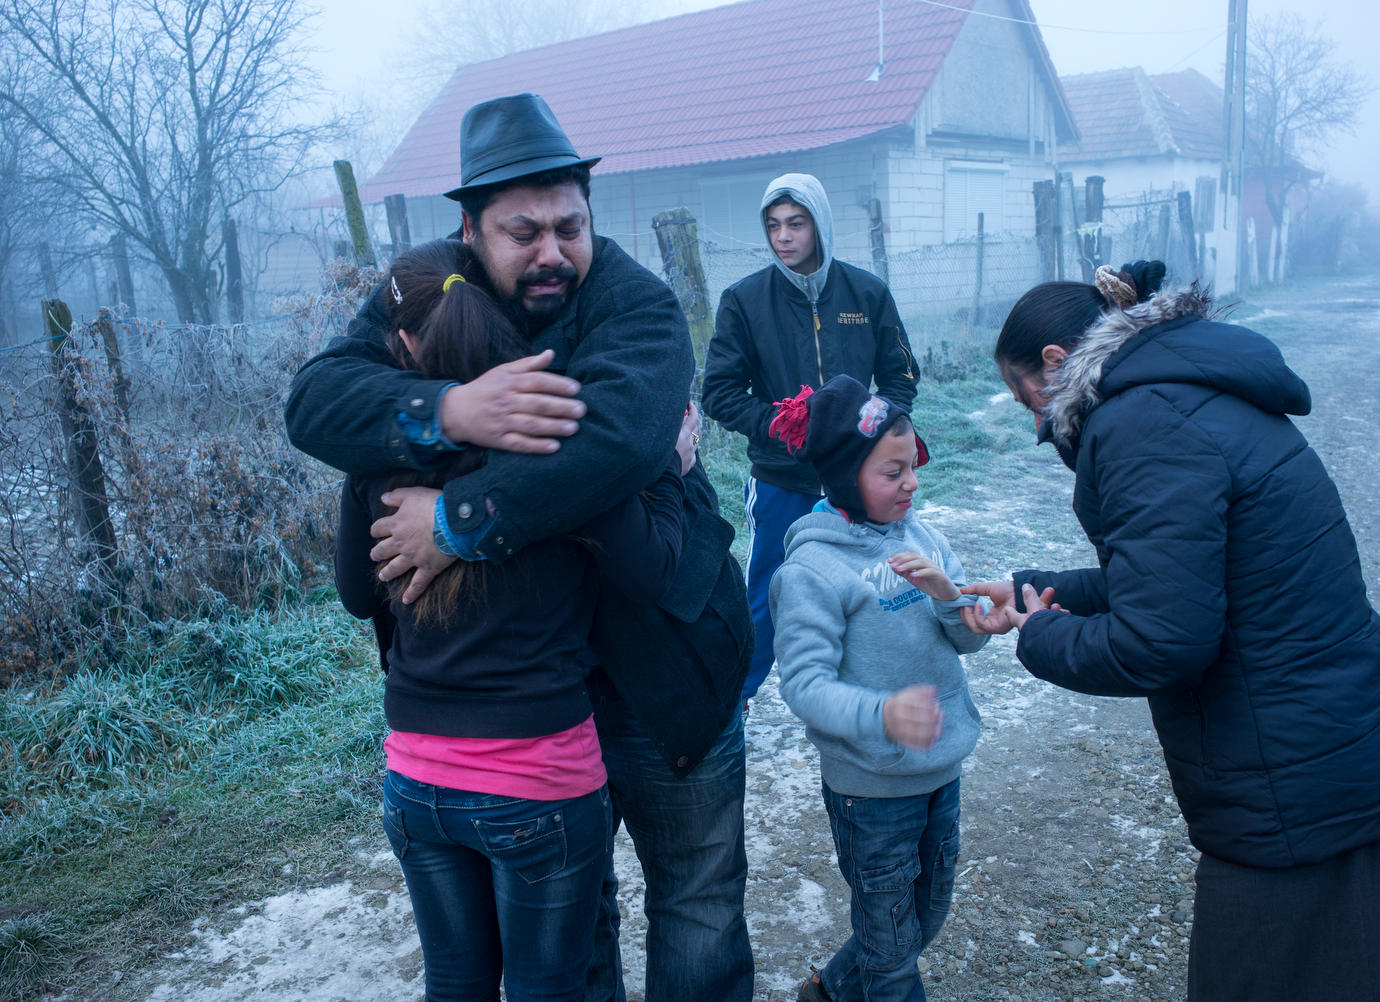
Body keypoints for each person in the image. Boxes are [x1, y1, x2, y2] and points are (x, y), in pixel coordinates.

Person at [285, 93, 753, 1002]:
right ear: (470, 232)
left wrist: (454, 521)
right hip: (535, 697)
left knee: (696, 906)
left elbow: (616, 446)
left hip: (665, 653)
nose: (552, 252)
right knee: (579, 929)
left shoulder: (637, 307)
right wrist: (450, 409)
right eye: (523, 232)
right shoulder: (430, 290)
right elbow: (316, 402)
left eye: (569, 227)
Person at [961, 262, 1380, 1001]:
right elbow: (1184, 578)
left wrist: (1039, 633)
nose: (1036, 424)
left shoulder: (1141, 424)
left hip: (1292, 794)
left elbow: (1161, 640)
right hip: (1337, 762)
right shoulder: (1184, 391)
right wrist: (1031, 589)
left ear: (1055, 362)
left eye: (1027, 398)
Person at [334, 239, 696, 1001]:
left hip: (417, 776)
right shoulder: (557, 448)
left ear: (405, 346)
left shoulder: (375, 457)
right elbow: (649, 570)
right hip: (538, 779)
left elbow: (358, 596)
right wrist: (666, 467)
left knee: (455, 984)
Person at [765, 374, 987, 1002]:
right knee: (891, 953)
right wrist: (883, 712)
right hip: (871, 790)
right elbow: (803, 686)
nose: (912, 483)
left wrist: (951, 597)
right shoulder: (812, 571)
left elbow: (968, 641)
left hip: (940, 769)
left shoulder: (924, 538)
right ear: (845, 479)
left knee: (924, 918)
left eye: (913, 465)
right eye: (893, 472)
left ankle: (830, 990)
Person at [702, 172, 920, 705]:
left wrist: (876, 428)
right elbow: (719, 393)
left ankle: (872, 693)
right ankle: (736, 702)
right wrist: (778, 425)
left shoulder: (867, 292)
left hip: (860, 479)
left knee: (877, 584)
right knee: (768, 592)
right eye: (773, 225)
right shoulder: (744, 300)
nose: (783, 236)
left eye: (796, 223)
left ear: (819, 224)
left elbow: (900, 376)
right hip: (782, 478)